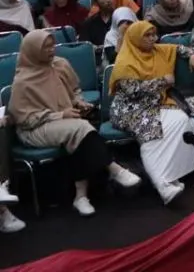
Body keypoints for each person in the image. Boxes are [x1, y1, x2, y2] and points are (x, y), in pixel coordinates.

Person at [8, 30, 142, 216]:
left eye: (52, 45)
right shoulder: (23, 81)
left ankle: (81, 197)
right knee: (80, 128)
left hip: (67, 122)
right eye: (45, 48)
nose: (51, 50)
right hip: (35, 129)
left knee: (80, 135)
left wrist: (78, 102)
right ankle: (114, 169)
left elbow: (74, 90)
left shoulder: (60, 65)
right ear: (33, 51)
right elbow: (23, 119)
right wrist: (60, 115)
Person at [108, 21, 194, 204]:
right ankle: (163, 187)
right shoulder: (124, 61)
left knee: (182, 120)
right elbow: (133, 91)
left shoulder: (159, 50)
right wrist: (162, 81)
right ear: (135, 38)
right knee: (152, 133)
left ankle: (171, 175)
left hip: (155, 103)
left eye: (154, 34)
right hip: (130, 108)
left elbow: (179, 48)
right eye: (147, 36)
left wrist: (192, 55)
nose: (153, 39)